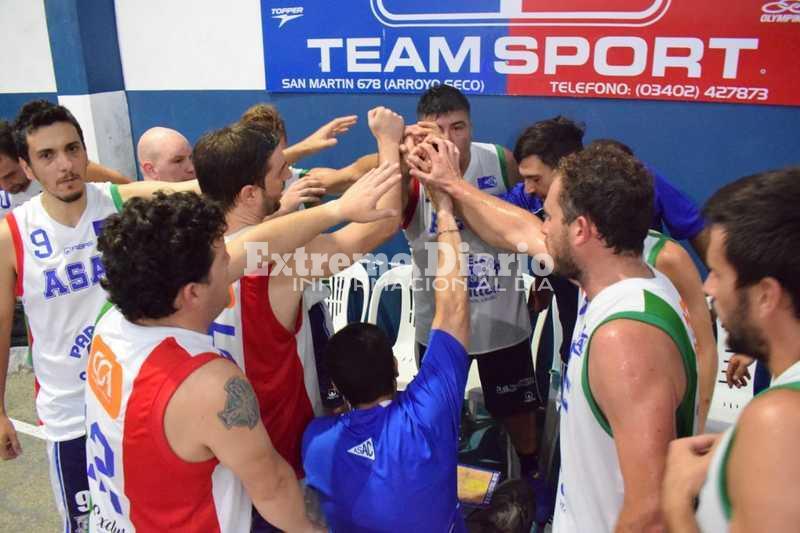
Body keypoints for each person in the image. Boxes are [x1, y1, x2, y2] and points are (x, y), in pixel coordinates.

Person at [413, 142, 699, 531]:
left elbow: (650, 513)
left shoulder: (625, 336)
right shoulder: (612, 272)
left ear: (581, 230)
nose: (542, 226)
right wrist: (452, 185)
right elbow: (516, 228)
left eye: (549, 216)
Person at [84, 181, 390, 532]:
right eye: (224, 261)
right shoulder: (209, 384)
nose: (235, 261)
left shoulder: (111, 320)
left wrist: (337, 210)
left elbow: (254, 246)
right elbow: (272, 486)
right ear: (193, 293)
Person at [196, 108, 402, 531]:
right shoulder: (279, 264)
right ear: (250, 194)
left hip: (214, 464)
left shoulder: (190, 254)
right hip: (280, 458)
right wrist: (387, 142)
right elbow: (381, 225)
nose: (289, 175)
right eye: (281, 170)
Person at [0, 100, 196, 531]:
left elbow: (207, 186)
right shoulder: (12, 233)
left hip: (135, 399)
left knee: (150, 516)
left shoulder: (117, 201)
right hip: (69, 412)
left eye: (72, 149)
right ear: (27, 167)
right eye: (47, 156)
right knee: (87, 525)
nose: (65, 165)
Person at [303, 136, 469, 531]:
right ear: (395, 365)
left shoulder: (315, 442)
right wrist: (445, 209)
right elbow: (454, 308)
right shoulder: (428, 411)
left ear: (337, 387)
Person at [400, 85, 542, 496]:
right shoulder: (409, 176)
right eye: (438, 129)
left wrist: (543, 277)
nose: (449, 138)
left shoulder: (500, 160)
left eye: (458, 126)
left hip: (502, 321)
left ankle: (530, 475)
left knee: (518, 411)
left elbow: (533, 220)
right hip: (441, 325)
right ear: (422, 132)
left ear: (471, 126)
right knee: (440, 416)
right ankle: (437, 486)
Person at [662, 167, 800, 532]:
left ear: (766, 295)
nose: (708, 288)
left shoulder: (780, 420)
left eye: (718, 274)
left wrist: (675, 500)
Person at [0, 118, 130, 218]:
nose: (4, 186)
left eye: (9, 175)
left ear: (25, 162)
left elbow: (127, 189)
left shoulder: (72, 171)